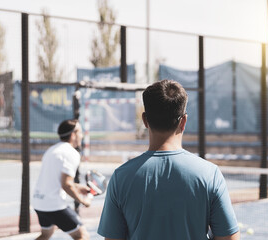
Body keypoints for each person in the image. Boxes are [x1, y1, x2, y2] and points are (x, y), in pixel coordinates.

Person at [97, 80, 240, 240]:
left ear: (145, 120)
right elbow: (229, 237)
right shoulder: (210, 175)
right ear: (183, 121)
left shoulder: (120, 177)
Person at [32, 119, 91, 240]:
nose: (82, 135)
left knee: (46, 234)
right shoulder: (71, 153)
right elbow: (66, 185)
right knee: (82, 236)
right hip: (53, 205)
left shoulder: (52, 150)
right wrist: (83, 201)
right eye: (80, 132)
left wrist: (78, 187)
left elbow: (57, 180)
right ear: (73, 134)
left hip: (39, 203)